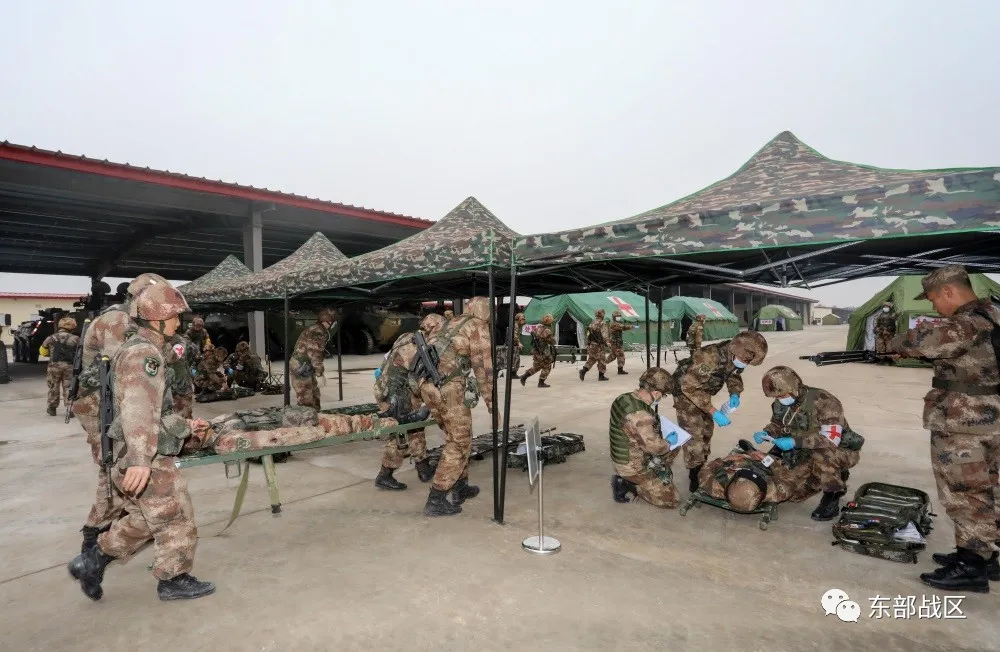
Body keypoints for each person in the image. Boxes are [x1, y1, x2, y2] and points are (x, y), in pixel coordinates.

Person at [68, 277, 216, 602]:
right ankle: (173, 579)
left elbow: (155, 408)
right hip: (142, 451)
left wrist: (184, 425)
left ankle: (92, 561)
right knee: (175, 514)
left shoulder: (149, 347)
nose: (179, 322)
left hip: (144, 446)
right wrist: (140, 461)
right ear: (159, 318)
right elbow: (138, 409)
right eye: (174, 316)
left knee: (149, 518)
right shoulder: (143, 355)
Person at [890, 265, 1000, 593]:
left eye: (934, 299)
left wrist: (897, 341)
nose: (934, 307)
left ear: (949, 291)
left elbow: (917, 342)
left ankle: (970, 567)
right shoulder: (992, 314)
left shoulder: (966, 322)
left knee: (966, 493)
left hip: (965, 424)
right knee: (988, 489)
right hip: (989, 419)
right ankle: (985, 555)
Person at [72, 273, 163, 554]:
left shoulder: (136, 320)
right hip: (102, 406)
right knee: (114, 467)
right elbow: (128, 373)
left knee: (118, 467)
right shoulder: (117, 321)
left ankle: (120, 526)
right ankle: (95, 535)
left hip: (115, 402)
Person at [415, 296, 494, 516]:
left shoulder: (451, 322)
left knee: (455, 436)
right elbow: (483, 369)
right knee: (459, 443)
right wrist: (491, 403)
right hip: (449, 390)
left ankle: (460, 487)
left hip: (428, 388)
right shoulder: (477, 326)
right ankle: (436, 498)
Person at [751, 365, 862, 520]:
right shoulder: (780, 402)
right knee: (794, 494)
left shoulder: (824, 401)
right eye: (776, 397)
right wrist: (767, 432)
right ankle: (824, 475)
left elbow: (831, 439)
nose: (779, 399)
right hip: (804, 448)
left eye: (782, 395)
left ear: (793, 387)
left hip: (837, 450)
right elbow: (778, 424)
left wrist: (794, 442)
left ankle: (833, 494)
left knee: (822, 456)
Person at [669, 330, 769, 492]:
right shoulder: (709, 357)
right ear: (738, 350)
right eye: (745, 360)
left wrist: (735, 393)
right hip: (685, 391)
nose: (745, 363)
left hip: (702, 390)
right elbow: (689, 387)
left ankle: (702, 463)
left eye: (748, 361)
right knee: (694, 434)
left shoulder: (736, 354)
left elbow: (733, 374)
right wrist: (713, 410)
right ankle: (695, 474)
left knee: (707, 429)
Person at [372, 313, 442, 491]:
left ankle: (423, 468)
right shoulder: (418, 349)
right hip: (394, 396)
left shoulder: (408, 336)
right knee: (400, 435)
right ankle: (385, 475)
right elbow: (416, 384)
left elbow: (388, 358)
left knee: (416, 428)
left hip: (388, 388)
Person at [609, 368, 679, 508]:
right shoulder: (641, 416)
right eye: (663, 395)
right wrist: (668, 441)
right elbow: (655, 448)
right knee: (672, 500)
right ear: (656, 393)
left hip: (623, 455)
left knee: (675, 447)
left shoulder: (624, 398)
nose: (661, 398)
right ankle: (629, 483)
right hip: (631, 466)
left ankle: (650, 473)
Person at [289, 308, 338, 409]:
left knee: (314, 396)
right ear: (328, 321)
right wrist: (320, 374)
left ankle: (315, 414)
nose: (334, 324)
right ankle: (308, 417)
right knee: (306, 401)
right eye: (333, 321)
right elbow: (315, 355)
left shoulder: (317, 329)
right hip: (302, 367)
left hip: (305, 366)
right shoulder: (317, 332)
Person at [40, 316, 80, 416]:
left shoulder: (51, 337)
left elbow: (43, 351)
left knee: (53, 386)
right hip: (69, 367)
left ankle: (52, 408)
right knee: (69, 387)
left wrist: (51, 354)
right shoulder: (76, 339)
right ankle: (69, 409)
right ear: (72, 327)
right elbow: (80, 354)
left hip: (54, 367)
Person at [520, 314, 556, 388]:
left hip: (536, 351)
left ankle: (524, 376)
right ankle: (541, 382)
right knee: (547, 367)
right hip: (542, 352)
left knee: (536, 367)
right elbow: (552, 342)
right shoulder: (547, 331)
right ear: (549, 322)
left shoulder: (538, 328)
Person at [165, 333, 196, 418]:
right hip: (169, 378)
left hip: (181, 378)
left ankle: (187, 421)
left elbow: (171, 358)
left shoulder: (178, 341)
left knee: (185, 405)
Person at [579, 308, 611, 382]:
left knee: (592, 359)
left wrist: (588, 344)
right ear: (602, 314)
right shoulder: (602, 323)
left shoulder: (592, 323)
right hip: (599, 345)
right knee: (602, 360)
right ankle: (601, 376)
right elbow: (604, 335)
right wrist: (608, 343)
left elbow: (588, 335)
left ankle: (583, 371)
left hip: (592, 344)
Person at [607, 310, 635, 375]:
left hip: (616, 343)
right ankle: (620, 370)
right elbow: (623, 327)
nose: (619, 317)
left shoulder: (615, 323)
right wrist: (632, 326)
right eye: (617, 316)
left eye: (619, 316)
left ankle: (602, 363)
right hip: (616, 343)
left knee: (612, 356)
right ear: (614, 317)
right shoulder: (614, 323)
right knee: (621, 356)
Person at [508, 312, 526, 376]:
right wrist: (519, 343)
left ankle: (513, 373)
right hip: (513, 345)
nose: (523, 320)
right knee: (516, 359)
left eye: (524, 319)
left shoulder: (517, 325)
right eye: (522, 319)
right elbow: (514, 336)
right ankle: (513, 373)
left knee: (515, 359)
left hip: (514, 344)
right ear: (518, 319)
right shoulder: (515, 325)